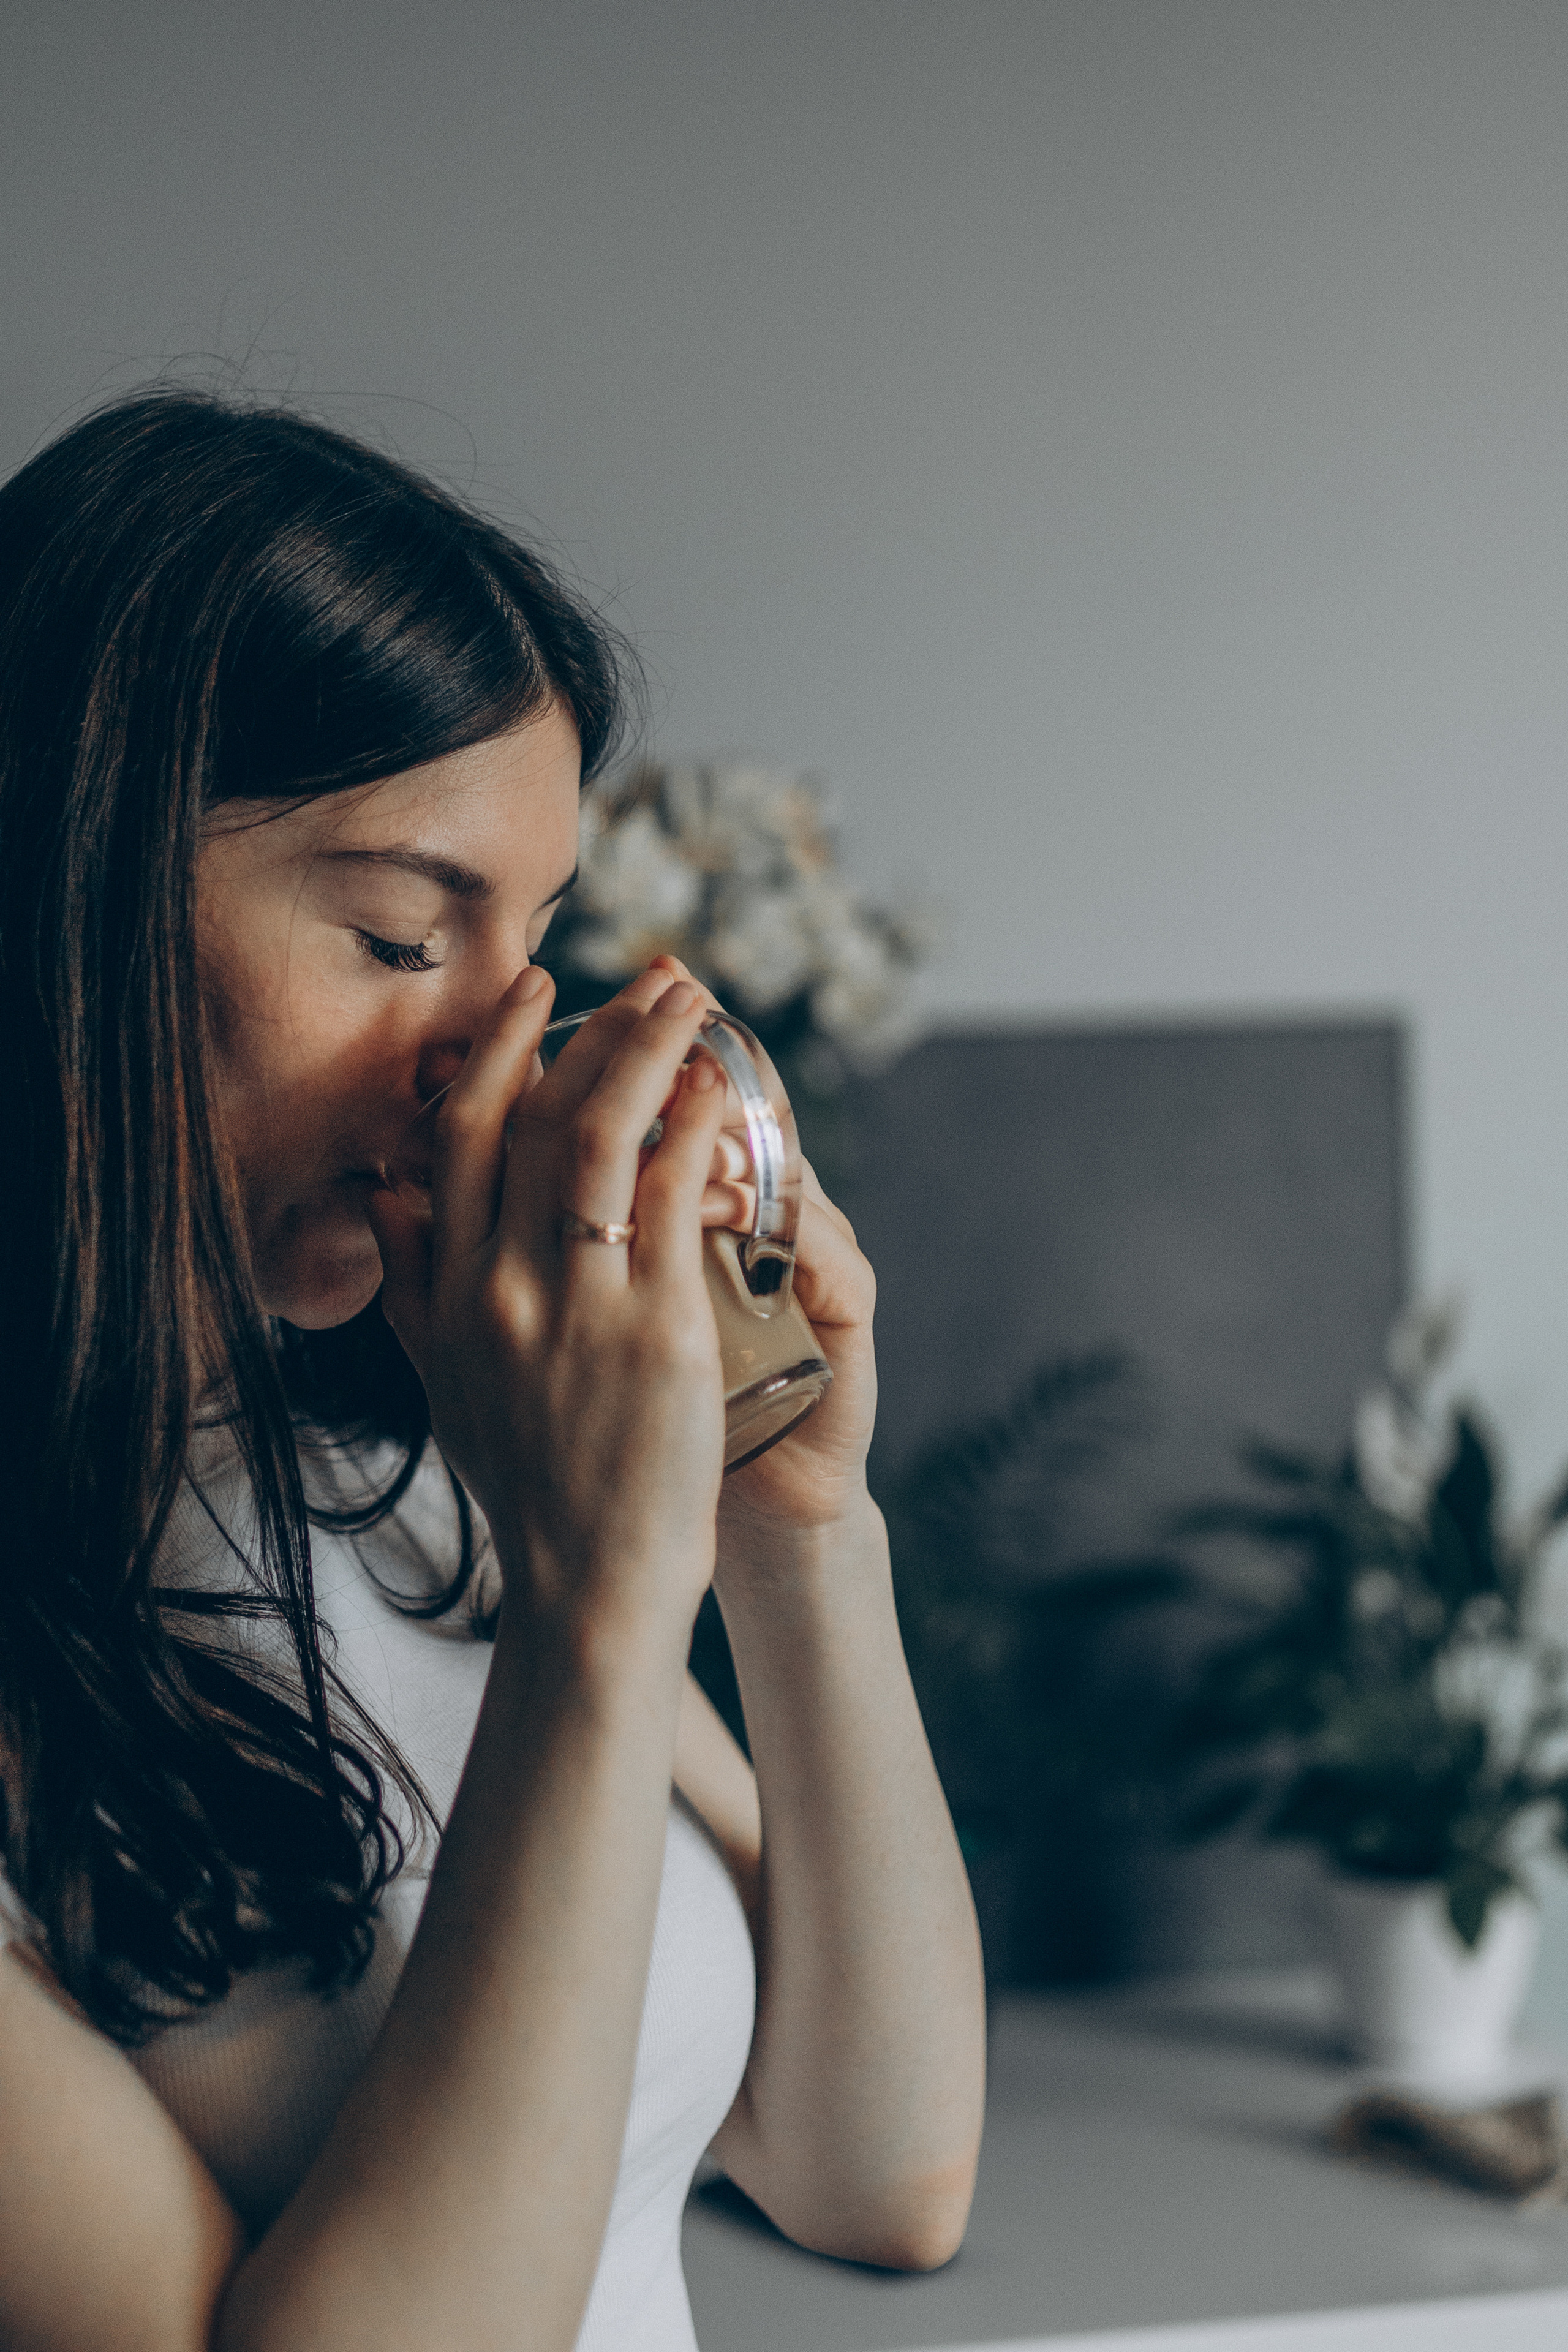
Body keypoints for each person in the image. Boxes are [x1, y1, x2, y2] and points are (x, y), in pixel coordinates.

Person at [0, 389, 986, 2352]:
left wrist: (791, 1532)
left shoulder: (394, 1499)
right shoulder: (521, 1554)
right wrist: (602, 1605)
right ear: (66, 914)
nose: (498, 1051)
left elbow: (877, 2172)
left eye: (531, 943)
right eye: (394, 933)